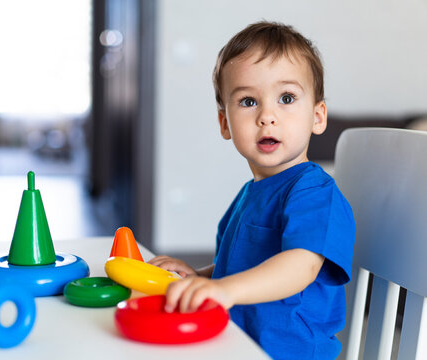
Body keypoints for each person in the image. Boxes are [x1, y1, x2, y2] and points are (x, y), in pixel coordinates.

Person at [148, 21, 355, 360]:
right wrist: (200, 277)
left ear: (318, 117)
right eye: (247, 101)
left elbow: (299, 266)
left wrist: (223, 290)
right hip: (237, 345)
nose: (267, 116)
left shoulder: (315, 193)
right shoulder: (248, 196)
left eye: (286, 98)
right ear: (225, 124)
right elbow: (239, 265)